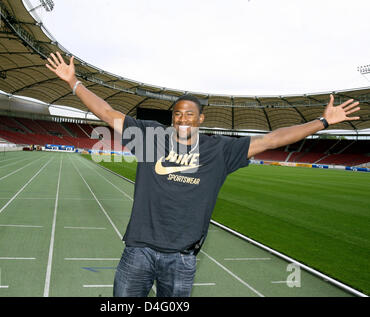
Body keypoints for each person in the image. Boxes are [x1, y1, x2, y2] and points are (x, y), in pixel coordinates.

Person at [45, 52, 360, 297]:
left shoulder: (220, 150)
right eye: (178, 113)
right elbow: (107, 113)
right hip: (137, 251)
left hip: (181, 259)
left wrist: (323, 122)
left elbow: (272, 139)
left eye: (189, 114)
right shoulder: (150, 137)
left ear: (200, 119)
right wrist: (74, 83)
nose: (182, 118)